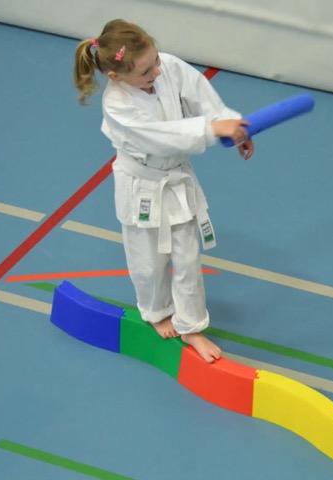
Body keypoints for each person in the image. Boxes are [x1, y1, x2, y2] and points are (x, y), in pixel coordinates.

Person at [73, 19, 254, 363]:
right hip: (141, 187)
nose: (156, 71)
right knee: (148, 263)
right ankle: (157, 313)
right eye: (145, 71)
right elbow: (166, 136)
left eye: (155, 60)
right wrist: (214, 129)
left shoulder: (165, 66)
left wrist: (232, 127)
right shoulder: (117, 107)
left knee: (187, 257)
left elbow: (201, 94)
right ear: (116, 76)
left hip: (176, 180)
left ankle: (190, 326)